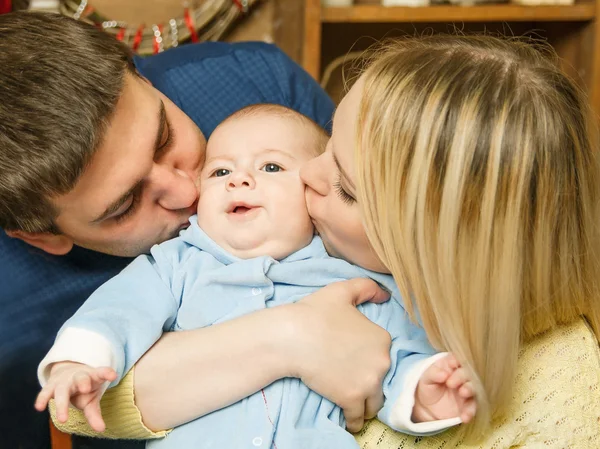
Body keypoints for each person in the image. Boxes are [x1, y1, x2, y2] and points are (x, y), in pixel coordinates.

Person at [57, 35, 600, 448]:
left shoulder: (557, 390)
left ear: (426, 250)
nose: (306, 176)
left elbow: (403, 360)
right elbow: (87, 395)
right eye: (329, 140)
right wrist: (290, 335)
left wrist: (420, 392)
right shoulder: (202, 254)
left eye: (343, 186)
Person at [0, 11, 394, 449]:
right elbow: (75, 411)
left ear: (145, 82)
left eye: (165, 137)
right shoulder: (9, 321)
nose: (189, 190)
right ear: (43, 237)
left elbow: (393, 239)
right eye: (126, 205)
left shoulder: (260, 81)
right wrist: (290, 337)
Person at [36, 104, 476, 449]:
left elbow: (396, 355)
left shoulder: (354, 274)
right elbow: (119, 309)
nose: (239, 180)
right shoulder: (176, 262)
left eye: (270, 168)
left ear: (316, 190)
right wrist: (79, 361)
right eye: (221, 171)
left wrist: (423, 395)